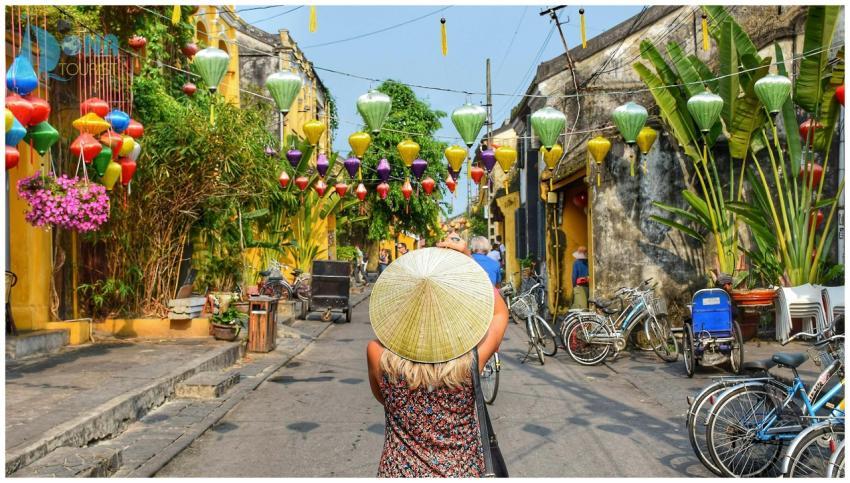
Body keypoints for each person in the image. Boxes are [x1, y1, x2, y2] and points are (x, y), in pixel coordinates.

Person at [366, 240, 509, 477]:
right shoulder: (470, 362)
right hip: (462, 471)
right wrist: (468, 262)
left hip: (399, 471)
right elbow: (499, 312)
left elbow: (383, 398)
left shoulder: (377, 353)